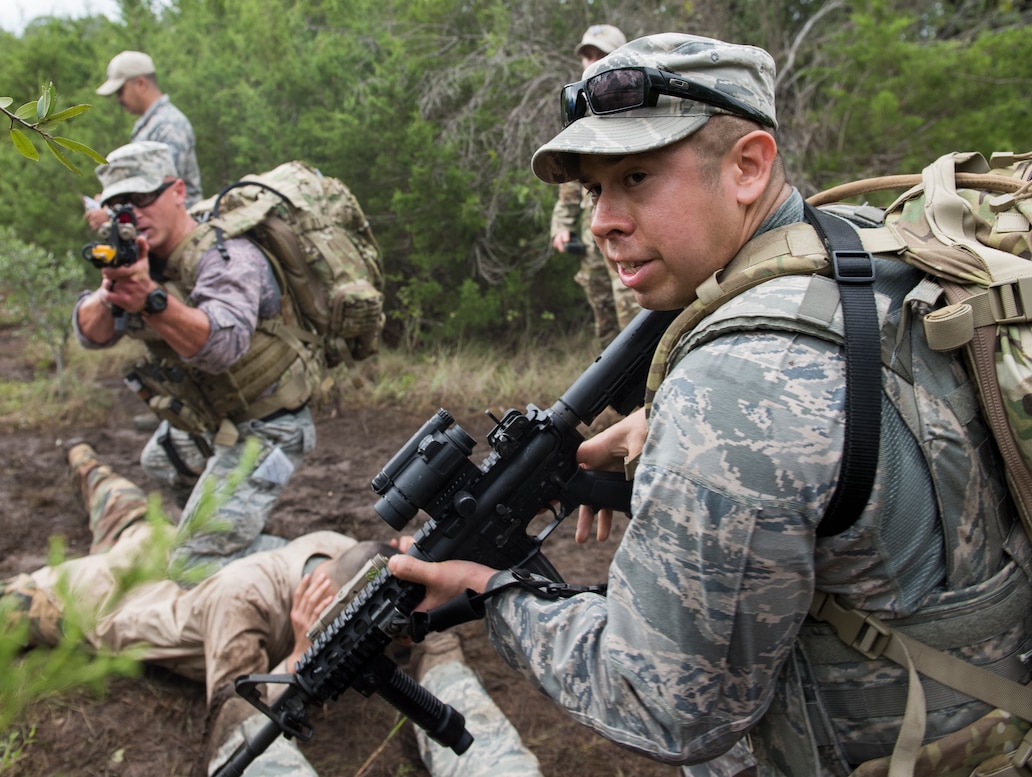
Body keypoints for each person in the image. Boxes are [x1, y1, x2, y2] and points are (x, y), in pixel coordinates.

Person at [389, 32, 1032, 776]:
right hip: (988, 720)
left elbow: (665, 705)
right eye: (597, 188)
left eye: (636, 177)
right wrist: (659, 423)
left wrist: (488, 593)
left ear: (747, 167)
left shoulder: (732, 387)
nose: (601, 220)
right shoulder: (862, 245)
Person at [0, 442, 545, 777]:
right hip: (110, 598)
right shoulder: (245, 600)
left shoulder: (378, 576)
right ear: (312, 604)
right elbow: (234, 711)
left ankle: (83, 455)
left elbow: (444, 671)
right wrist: (302, 653)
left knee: (127, 514)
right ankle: (80, 455)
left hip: (178, 563)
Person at [73, 140, 325, 578]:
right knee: (162, 460)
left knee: (191, 563)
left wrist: (151, 301)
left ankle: (337, 570)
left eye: (141, 199)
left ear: (177, 191)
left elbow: (222, 347)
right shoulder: (142, 259)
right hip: (216, 418)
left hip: (270, 426)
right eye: (118, 206)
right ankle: (231, 532)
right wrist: (111, 290)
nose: (131, 215)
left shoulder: (228, 255)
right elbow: (90, 334)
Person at [549, 24, 639, 346]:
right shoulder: (579, 114)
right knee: (605, 325)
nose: (591, 62)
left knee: (635, 323)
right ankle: (611, 396)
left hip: (629, 235)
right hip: (593, 240)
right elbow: (570, 181)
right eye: (587, 56)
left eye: (599, 55)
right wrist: (562, 225)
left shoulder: (640, 105)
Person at [85, 50, 202, 231]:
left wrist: (110, 213)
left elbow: (161, 189)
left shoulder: (169, 125)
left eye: (120, 91)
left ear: (140, 83)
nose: (119, 99)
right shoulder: (150, 124)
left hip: (180, 236)